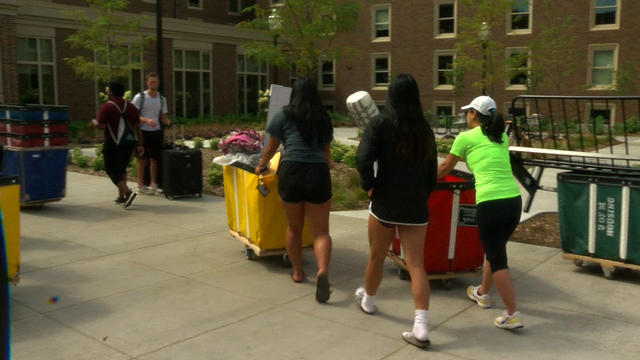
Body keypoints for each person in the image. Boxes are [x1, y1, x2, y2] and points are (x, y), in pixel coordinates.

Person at [354, 74, 437, 349]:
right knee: (416, 265)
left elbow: (363, 157)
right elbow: (431, 170)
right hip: (415, 205)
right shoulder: (424, 129)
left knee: (377, 257)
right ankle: (421, 325)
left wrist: (370, 186)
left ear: (391, 96)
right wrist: (423, 195)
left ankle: (368, 300)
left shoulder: (380, 123)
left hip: (385, 203)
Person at [437, 95, 524, 330]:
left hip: (491, 202)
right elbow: (483, 155)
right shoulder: (501, 137)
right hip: (513, 201)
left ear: (474, 114)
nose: (465, 115)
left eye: (467, 112)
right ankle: (482, 293)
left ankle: (512, 313)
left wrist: (421, 182)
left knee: (497, 259)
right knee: (495, 249)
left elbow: (445, 167)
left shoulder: (465, 137)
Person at [254, 77, 334, 303]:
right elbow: (327, 151)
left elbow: (270, 147)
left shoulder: (284, 114)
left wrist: (261, 166)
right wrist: (328, 163)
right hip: (317, 173)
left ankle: (297, 271)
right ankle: (322, 271)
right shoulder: (323, 117)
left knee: (294, 227)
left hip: (291, 171)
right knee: (321, 232)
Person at [90, 81, 143, 208]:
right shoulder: (131, 107)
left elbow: (101, 126)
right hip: (129, 143)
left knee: (111, 170)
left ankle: (128, 193)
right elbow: (137, 126)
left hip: (112, 143)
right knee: (121, 169)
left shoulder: (106, 107)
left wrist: (93, 123)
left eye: (108, 90)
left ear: (111, 93)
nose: (107, 92)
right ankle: (121, 197)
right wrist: (140, 144)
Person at [131, 73, 170, 195]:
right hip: (142, 132)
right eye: (151, 81)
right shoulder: (140, 97)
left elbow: (162, 116)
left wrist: (167, 122)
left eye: (156, 82)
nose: (154, 84)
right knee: (142, 159)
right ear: (147, 83)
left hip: (157, 132)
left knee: (155, 159)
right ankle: (140, 185)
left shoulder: (161, 99)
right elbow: (133, 115)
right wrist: (146, 120)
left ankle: (153, 184)